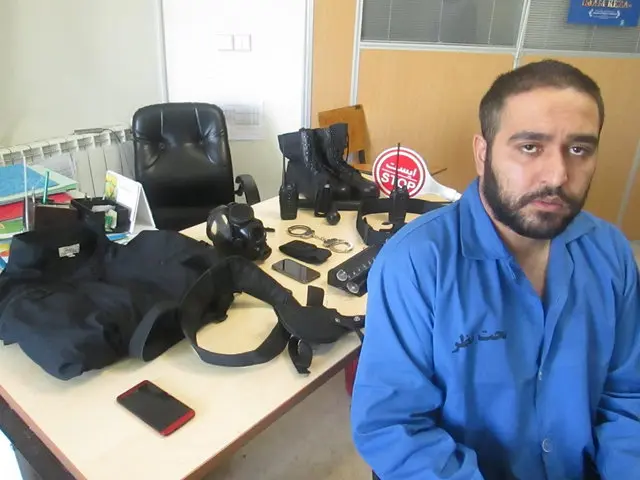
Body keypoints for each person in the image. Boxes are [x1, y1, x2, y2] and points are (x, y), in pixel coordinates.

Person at [350, 59, 640, 480]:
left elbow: (628, 396)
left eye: (579, 149)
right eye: (530, 147)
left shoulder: (610, 252)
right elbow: (394, 427)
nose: (558, 175)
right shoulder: (415, 264)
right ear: (483, 153)